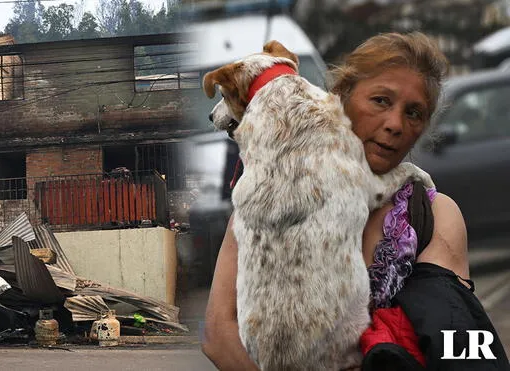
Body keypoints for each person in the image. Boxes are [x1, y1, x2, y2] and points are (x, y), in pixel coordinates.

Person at [201, 32, 509, 370]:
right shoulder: (267, 193)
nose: (395, 125)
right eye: (380, 100)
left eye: (414, 113)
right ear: (341, 100)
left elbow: (451, 333)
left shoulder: (432, 214)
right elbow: (219, 334)